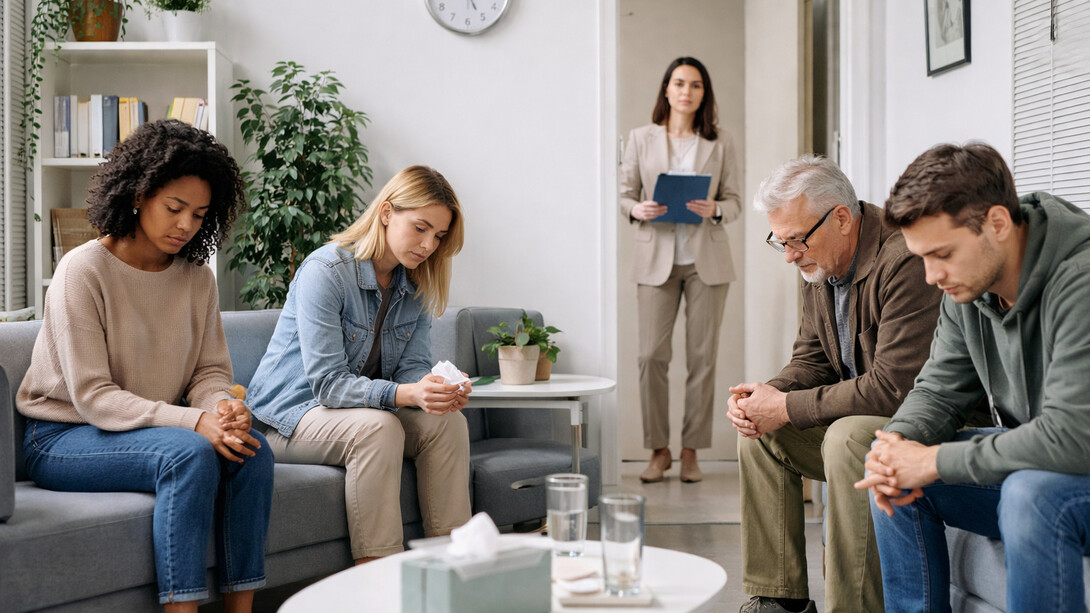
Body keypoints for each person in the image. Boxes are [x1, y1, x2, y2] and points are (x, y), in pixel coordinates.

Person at [16, 119, 273, 613]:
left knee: (251, 449)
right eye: (174, 208)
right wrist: (193, 422)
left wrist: (220, 409)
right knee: (188, 454)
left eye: (199, 215)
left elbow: (208, 373)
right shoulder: (82, 270)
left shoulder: (196, 278)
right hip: (62, 434)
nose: (186, 225)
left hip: (141, 429)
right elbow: (93, 395)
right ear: (138, 194)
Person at [855, 142, 1090, 612]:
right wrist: (895, 448)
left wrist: (935, 460)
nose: (930, 276)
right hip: (1046, 464)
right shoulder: (969, 289)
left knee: (1029, 494)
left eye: (941, 253)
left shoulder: (1079, 280)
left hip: (1071, 466)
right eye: (922, 257)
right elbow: (939, 391)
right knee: (895, 474)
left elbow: (1072, 438)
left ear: (997, 224)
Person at [728, 155, 943, 613]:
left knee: (848, 437)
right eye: (779, 241)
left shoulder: (903, 258)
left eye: (795, 240)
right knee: (759, 432)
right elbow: (811, 360)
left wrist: (785, 406)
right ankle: (778, 601)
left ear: (842, 218)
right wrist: (763, 398)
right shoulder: (817, 261)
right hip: (868, 418)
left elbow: (894, 388)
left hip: (920, 425)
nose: (788, 255)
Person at [247, 165, 472, 564]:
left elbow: (412, 365)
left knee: (447, 422)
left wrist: (434, 388)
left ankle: (450, 571)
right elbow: (329, 386)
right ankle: (378, 581)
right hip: (288, 417)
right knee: (378, 429)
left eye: (437, 236)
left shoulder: (415, 282)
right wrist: (407, 393)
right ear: (386, 212)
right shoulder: (326, 270)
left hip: (353, 412)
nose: (428, 245)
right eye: (420, 228)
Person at [619, 56, 742, 483]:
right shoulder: (640, 138)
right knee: (651, 356)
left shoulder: (720, 141)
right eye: (679, 83)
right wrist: (637, 207)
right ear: (666, 90)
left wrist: (716, 209)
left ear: (703, 94)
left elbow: (735, 201)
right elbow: (624, 195)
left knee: (702, 360)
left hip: (706, 260)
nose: (686, 92)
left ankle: (691, 452)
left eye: (695, 85)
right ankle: (659, 451)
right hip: (656, 258)